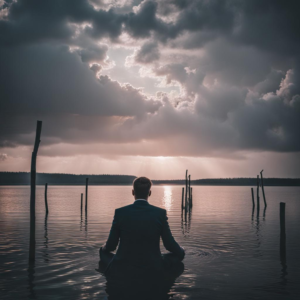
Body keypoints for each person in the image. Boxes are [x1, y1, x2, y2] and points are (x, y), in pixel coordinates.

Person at [99, 176, 185, 279]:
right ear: (149, 193)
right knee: (178, 254)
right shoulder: (160, 213)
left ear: (133, 192)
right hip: (153, 265)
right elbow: (169, 244)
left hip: (124, 266)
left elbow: (111, 246)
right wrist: (181, 250)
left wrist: (103, 247)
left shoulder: (120, 213)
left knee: (103, 252)